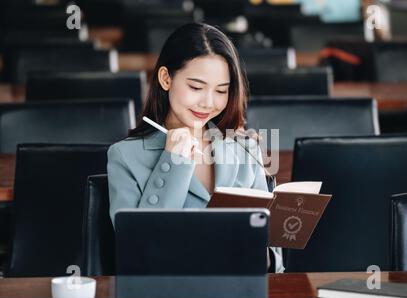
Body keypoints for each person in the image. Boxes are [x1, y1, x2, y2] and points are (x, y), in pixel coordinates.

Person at [107, 23, 284, 273]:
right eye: (196, 87)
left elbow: (273, 260)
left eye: (221, 91)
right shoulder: (125, 156)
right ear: (166, 78)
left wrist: (261, 251)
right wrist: (171, 164)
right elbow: (139, 251)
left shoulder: (245, 147)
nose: (208, 103)